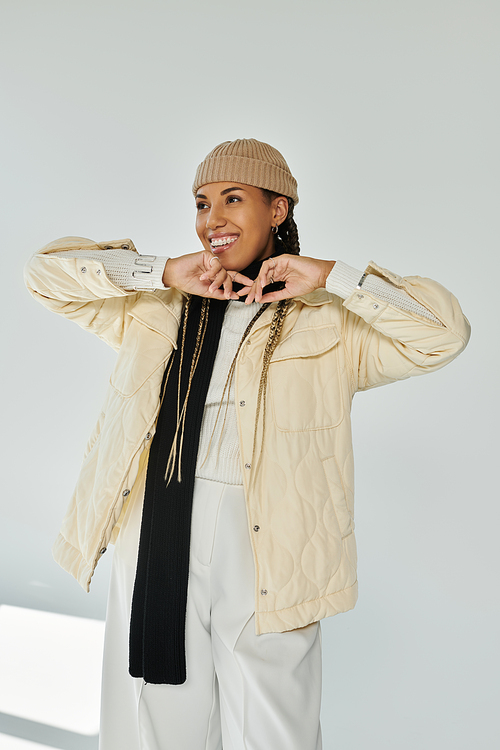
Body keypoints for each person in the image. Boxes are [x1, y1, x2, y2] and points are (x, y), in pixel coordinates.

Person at [24, 138, 470, 750]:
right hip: (156, 530)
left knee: (274, 730)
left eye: (233, 199)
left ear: (278, 210)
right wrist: (159, 270)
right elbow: (43, 275)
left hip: (271, 542)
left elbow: (443, 334)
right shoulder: (157, 306)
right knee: (159, 726)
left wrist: (332, 277)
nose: (213, 220)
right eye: (202, 203)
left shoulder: (329, 321)